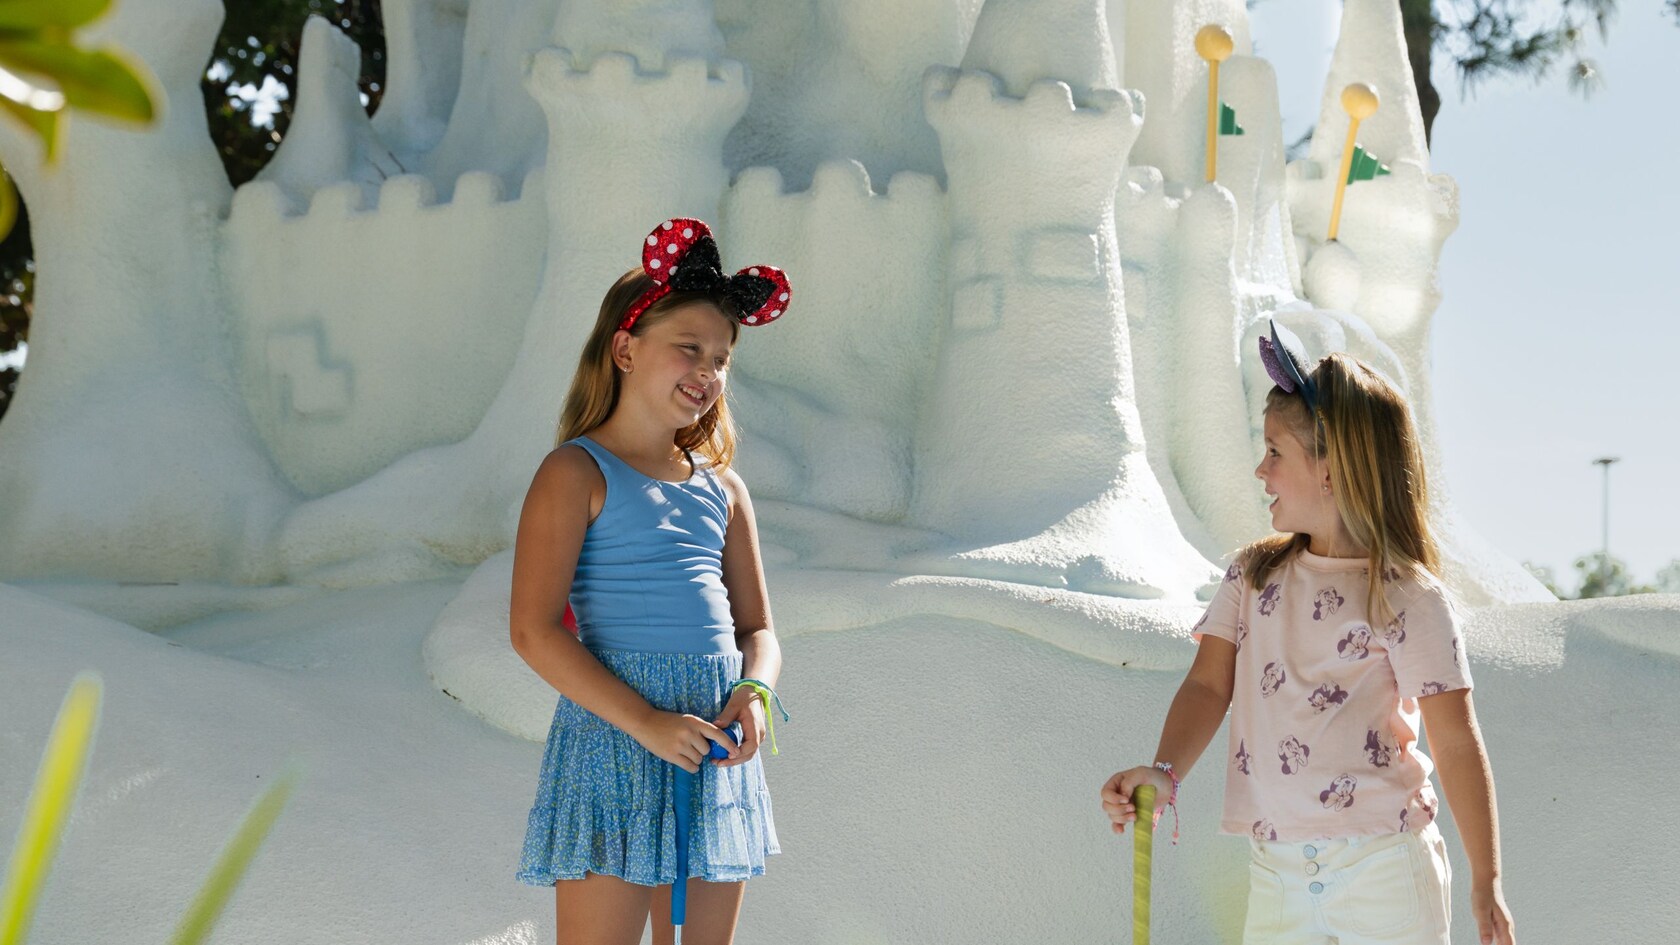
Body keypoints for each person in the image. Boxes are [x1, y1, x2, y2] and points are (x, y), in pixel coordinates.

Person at [1100, 322, 1516, 945]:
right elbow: (1209, 687)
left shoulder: (1408, 595)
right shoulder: (1252, 575)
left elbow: (1456, 743)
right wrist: (1166, 772)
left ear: (1331, 471)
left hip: (1385, 871)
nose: (1260, 469)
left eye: (1276, 452)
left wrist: (1487, 884)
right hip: (1277, 877)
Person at [511, 218, 792, 945]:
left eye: (723, 357)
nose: (708, 369)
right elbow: (533, 630)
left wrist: (754, 690)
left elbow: (757, 629)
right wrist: (646, 723)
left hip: (713, 740)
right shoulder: (574, 472)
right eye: (689, 348)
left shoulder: (723, 488)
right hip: (615, 740)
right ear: (626, 349)